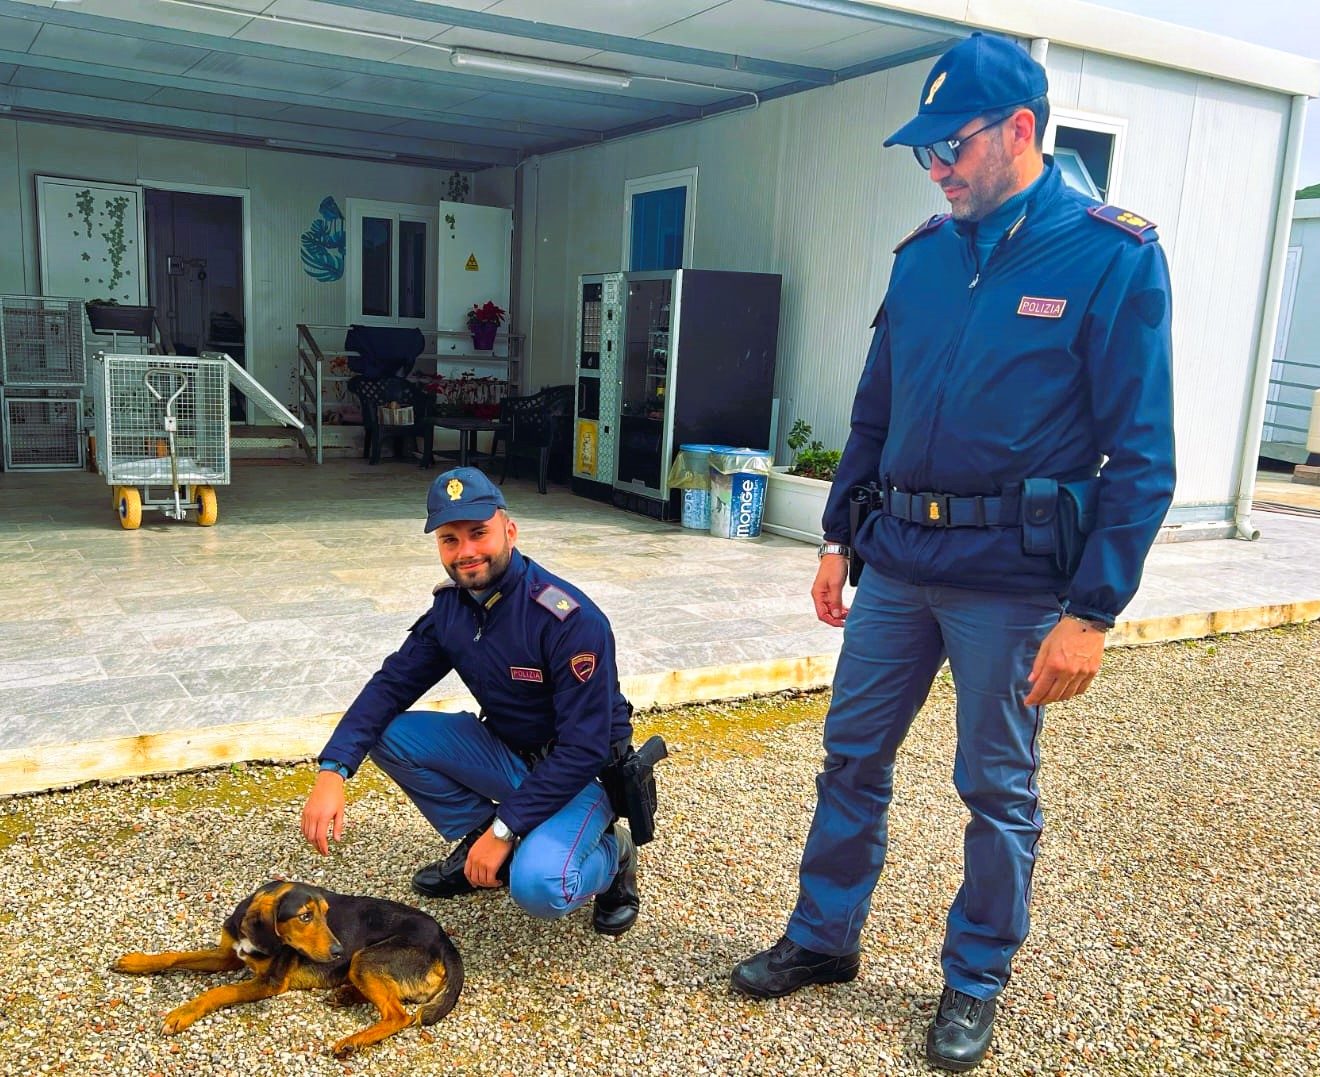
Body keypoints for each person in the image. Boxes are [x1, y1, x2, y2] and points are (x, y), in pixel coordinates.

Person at [730, 32, 1175, 1072]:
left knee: (995, 789)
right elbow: (873, 413)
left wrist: (1092, 612)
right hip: (899, 567)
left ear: (1020, 130)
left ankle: (973, 979)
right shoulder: (924, 255)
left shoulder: (1110, 256)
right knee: (850, 760)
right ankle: (823, 938)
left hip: (1015, 587)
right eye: (922, 152)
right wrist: (839, 536)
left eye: (953, 145)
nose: (936, 168)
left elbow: (1140, 454)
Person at [301, 466, 640, 937]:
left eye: (479, 533)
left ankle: (614, 855)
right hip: (507, 751)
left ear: (510, 530)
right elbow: (391, 685)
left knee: (540, 886)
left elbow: (583, 750)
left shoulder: (568, 621)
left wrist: (507, 829)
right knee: (390, 734)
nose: (466, 553)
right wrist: (332, 770)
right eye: (450, 539)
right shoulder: (453, 608)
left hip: (580, 775)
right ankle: (477, 839)